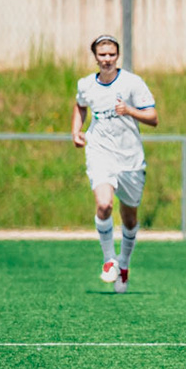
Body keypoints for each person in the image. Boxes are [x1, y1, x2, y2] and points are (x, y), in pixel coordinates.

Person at [71, 35, 158, 293]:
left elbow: (153, 117)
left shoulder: (132, 83)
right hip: (100, 153)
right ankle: (109, 260)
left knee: (129, 218)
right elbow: (80, 105)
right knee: (104, 204)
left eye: (111, 54)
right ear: (95, 57)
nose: (106, 59)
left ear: (117, 56)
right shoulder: (86, 84)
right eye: (102, 55)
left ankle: (124, 263)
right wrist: (76, 130)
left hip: (130, 158)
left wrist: (130, 111)